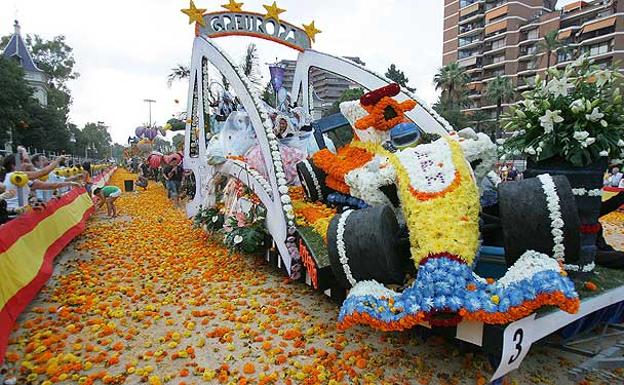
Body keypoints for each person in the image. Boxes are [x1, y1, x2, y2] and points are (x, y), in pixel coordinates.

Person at [2, 152, 79, 211]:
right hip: (14, 213)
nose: (26, 164)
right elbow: (42, 173)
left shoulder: (22, 178)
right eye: (23, 162)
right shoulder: (15, 176)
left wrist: (70, 183)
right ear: (13, 165)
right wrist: (58, 160)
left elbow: (47, 186)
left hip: (23, 211)